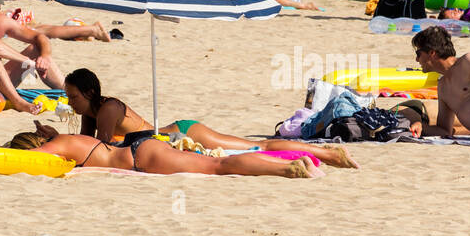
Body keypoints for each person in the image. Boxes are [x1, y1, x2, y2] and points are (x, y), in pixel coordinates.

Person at [61, 68, 358, 167]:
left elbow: (100, 148)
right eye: (68, 97)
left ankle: (327, 152)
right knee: (252, 148)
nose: (70, 102)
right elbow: (87, 146)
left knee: (258, 146)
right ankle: (323, 152)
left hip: (186, 133)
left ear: (90, 91)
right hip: (170, 139)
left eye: (74, 96)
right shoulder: (91, 112)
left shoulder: (108, 108)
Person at [8, 126, 320, 178]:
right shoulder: (65, 139)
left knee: (218, 166)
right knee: (216, 162)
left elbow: (31, 160)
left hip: (140, 158)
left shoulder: (57, 146)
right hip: (142, 149)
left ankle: (287, 169)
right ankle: (298, 161)